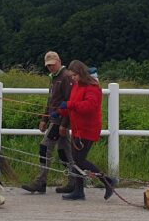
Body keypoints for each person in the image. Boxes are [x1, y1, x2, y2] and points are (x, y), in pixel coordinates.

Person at [58, 59, 116, 201]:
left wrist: (69, 104)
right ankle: (79, 191)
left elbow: (89, 107)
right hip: (78, 129)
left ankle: (107, 181)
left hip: (88, 129)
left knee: (80, 160)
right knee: (76, 161)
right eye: (71, 76)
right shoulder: (77, 86)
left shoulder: (93, 88)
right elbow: (74, 107)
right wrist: (61, 111)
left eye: (74, 76)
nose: (72, 78)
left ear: (81, 73)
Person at [23, 51, 75, 194]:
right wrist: (44, 118)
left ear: (59, 61)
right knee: (64, 151)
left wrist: (64, 123)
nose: (50, 68)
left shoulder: (66, 77)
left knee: (45, 147)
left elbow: (68, 102)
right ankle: (74, 180)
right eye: (48, 66)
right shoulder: (55, 77)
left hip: (59, 119)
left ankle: (41, 181)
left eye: (52, 64)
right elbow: (50, 100)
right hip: (54, 118)